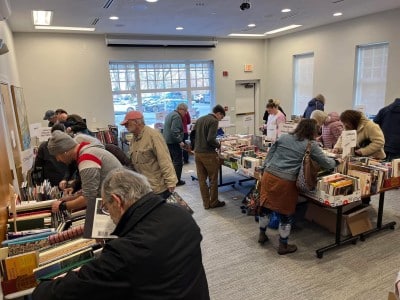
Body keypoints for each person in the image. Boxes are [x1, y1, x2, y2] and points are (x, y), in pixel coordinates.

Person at [32, 168, 210, 300]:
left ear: (117, 201)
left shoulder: (126, 251)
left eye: (106, 208)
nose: (108, 213)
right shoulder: (181, 214)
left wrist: (41, 289)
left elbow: (74, 289)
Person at [258, 119, 339, 254]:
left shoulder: (284, 137)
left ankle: (262, 234)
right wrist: (336, 161)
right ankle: (283, 246)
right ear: (313, 131)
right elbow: (326, 163)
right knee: (285, 213)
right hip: (286, 182)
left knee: (265, 207)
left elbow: (270, 154)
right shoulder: (310, 145)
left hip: (269, 176)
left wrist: (265, 168)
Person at [47, 130, 122, 237]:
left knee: (104, 238)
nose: (57, 160)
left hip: (117, 203)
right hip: (115, 198)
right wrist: (72, 197)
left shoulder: (87, 158)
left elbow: (89, 198)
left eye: (57, 155)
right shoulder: (89, 151)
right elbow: (92, 187)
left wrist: (63, 206)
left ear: (64, 151)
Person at [120, 110, 177, 199]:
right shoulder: (134, 138)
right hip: (144, 187)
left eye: (127, 123)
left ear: (136, 122)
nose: (126, 126)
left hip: (158, 188)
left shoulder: (153, 136)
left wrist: (171, 181)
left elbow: (165, 160)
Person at [194, 104, 226, 209]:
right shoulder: (214, 121)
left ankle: (206, 204)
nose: (220, 120)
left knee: (202, 179)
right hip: (208, 153)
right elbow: (210, 139)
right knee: (213, 178)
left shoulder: (200, 119)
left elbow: (193, 135)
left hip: (197, 152)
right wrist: (219, 145)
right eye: (221, 117)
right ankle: (214, 202)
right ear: (218, 113)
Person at [163, 103, 188, 186]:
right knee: (178, 162)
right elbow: (175, 131)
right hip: (173, 142)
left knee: (171, 162)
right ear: (181, 109)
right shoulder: (177, 116)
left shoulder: (170, 114)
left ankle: (171, 179)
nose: (186, 113)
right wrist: (180, 141)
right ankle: (177, 181)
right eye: (185, 111)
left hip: (167, 141)